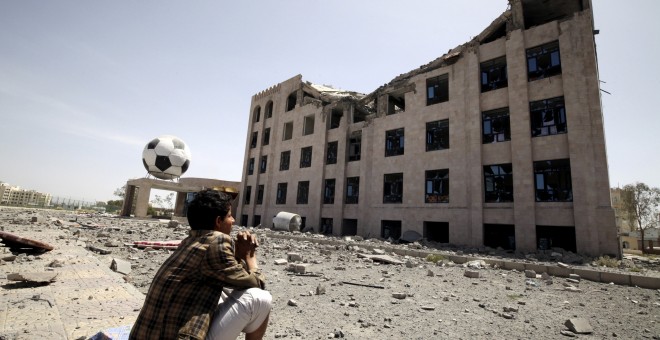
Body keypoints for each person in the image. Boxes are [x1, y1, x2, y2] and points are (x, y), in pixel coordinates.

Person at [129, 189, 271, 340]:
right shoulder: (217, 240)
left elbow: (230, 276)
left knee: (225, 290)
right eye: (229, 216)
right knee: (260, 298)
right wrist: (250, 256)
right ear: (218, 221)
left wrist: (238, 255)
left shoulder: (192, 240)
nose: (233, 220)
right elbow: (257, 283)